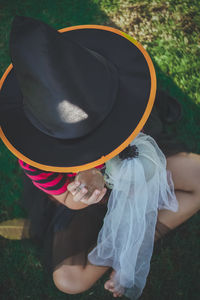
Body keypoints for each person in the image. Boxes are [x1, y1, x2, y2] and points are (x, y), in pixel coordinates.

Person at [0, 16, 200, 299]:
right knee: (69, 280)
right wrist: (86, 191)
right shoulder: (34, 158)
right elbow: (67, 200)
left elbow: (141, 147)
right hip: (87, 204)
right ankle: (121, 247)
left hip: (138, 162)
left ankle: (137, 241)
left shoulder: (124, 99)